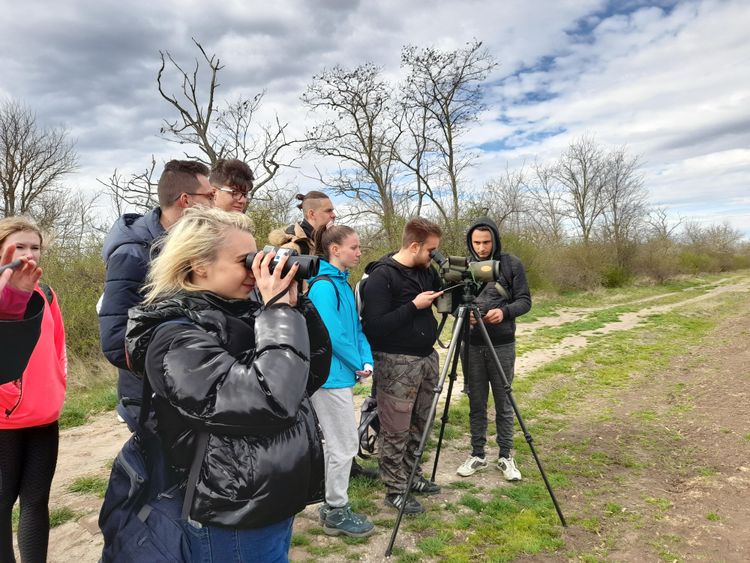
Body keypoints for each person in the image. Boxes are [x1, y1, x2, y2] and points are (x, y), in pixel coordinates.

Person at [125, 207, 331, 563]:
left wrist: (296, 307)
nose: (256, 270)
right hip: (232, 510)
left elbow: (309, 375)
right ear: (199, 265)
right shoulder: (175, 337)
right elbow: (271, 400)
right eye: (245, 261)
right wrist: (278, 311)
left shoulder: (245, 313)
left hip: (270, 496)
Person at [98, 159, 213, 405]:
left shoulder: (188, 246)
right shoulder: (131, 254)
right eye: (210, 196)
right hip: (151, 397)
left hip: (186, 388)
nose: (215, 204)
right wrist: (183, 360)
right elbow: (116, 341)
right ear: (186, 200)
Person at [361, 218, 444, 515]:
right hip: (396, 363)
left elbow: (446, 294)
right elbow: (374, 328)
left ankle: (412, 476)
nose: (433, 256)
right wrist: (413, 307)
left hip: (426, 358)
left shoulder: (426, 271)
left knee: (421, 423)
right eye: (431, 250)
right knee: (396, 428)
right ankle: (394, 489)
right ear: (414, 245)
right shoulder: (382, 277)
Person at [0, 217, 67, 563]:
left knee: (36, 502)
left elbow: (58, 346)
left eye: (35, 247)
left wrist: (58, 389)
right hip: (3, 422)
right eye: (18, 246)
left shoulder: (46, 293)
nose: (28, 254)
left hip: (43, 416)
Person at [306, 225, 375, 537]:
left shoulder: (344, 286)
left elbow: (355, 329)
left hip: (344, 373)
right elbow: (331, 335)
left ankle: (332, 504)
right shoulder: (323, 286)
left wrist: (366, 360)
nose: (359, 252)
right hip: (329, 378)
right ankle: (335, 508)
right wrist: (354, 364)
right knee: (344, 443)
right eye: (354, 247)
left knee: (340, 442)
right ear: (334, 249)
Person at [456, 218, 531, 481]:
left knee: (503, 401)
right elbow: (453, 303)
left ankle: (506, 456)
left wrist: (504, 312)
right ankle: (477, 454)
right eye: (476, 242)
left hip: (502, 344)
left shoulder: (512, 264)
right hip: (472, 345)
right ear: (470, 242)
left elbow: (525, 301)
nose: (482, 247)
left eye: (486, 242)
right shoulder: (463, 267)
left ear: (495, 240)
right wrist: (466, 316)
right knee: (476, 402)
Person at [267, 191, 336, 255]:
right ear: (312, 214)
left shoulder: (328, 242)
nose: (334, 215)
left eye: (332, 211)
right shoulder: (292, 248)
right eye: (328, 211)